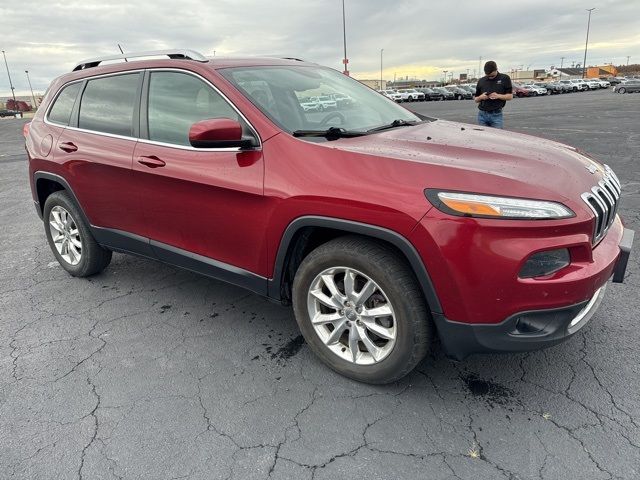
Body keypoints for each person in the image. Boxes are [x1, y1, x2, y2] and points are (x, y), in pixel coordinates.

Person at [475, 61, 513, 128]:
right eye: (488, 76)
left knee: (496, 137)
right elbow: (476, 99)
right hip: (482, 114)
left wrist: (498, 96)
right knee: (482, 137)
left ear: (496, 69)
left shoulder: (504, 78)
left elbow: (510, 96)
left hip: (496, 114)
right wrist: (481, 97)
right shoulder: (481, 81)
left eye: (492, 76)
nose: (490, 77)